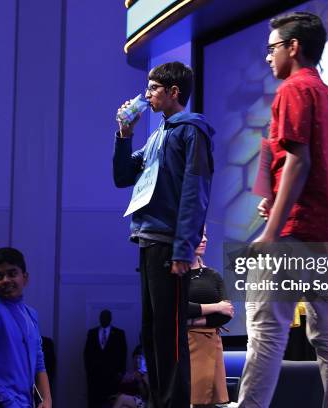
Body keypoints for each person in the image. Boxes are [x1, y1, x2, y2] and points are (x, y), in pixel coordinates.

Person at [238, 12, 328, 408]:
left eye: (272, 49)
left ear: (293, 47)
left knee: (266, 332)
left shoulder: (293, 90)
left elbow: (299, 161)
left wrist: (270, 229)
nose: (268, 57)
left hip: (295, 232)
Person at [113, 61, 215, 408]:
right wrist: (124, 136)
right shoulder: (158, 135)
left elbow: (194, 190)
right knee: (153, 332)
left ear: (174, 92)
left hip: (169, 243)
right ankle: (159, 402)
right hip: (148, 239)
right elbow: (124, 175)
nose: (147, 94)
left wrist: (184, 249)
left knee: (170, 335)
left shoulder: (191, 130)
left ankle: (172, 404)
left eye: (154, 87)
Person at [0, 247, 52, 408]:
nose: (5, 280)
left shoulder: (31, 315)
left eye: (12, 273)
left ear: (25, 278)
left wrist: (46, 399)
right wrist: (8, 401)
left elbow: (39, 361)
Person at [187, 230, 233, 407]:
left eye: (206, 234)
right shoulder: (174, 274)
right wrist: (215, 307)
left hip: (210, 344)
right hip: (183, 343)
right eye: (199, 234)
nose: (205, 239)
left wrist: (193, 321)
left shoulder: (213, 276)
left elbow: (226, 313)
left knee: (207, 402)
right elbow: (179, 308)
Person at [84, 309, 128, 408]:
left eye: (106, 317)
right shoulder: (92, 333)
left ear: (110, 319)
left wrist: (120, 373)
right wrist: (89, 372)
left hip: (112, 378)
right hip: (95, 378)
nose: (104, 319)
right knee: (94, 403)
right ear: (99, 318)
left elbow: (123, 354)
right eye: (102, 317)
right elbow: (87, 354)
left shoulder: (119, 334)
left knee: (112, 403)